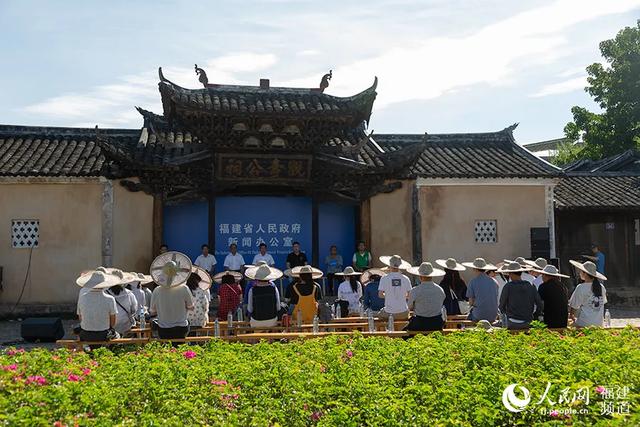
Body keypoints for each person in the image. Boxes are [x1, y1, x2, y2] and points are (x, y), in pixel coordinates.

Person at [150, 268, 195, 339]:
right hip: (181, 328)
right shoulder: (184, 288)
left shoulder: (157, 290)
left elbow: (152, 312)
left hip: (163, 329)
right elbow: (191, 307)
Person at [76, 270, 120, 341]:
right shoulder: (110, 299)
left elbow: (80, 318)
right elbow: (113, 321)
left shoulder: (82, 297)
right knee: (117, 336)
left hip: (86, 334)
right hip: (103, 334)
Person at [498, 261, 544, 330]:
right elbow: (540, 304)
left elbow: (501, 306)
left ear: (510, 274)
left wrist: (507, 314)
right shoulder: (531, 286)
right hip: (528, 321)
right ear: (521, 273)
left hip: (512, 322)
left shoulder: (508, 286)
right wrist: (535, 315)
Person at [405, 262, 446, 331]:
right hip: (436, 323)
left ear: (420, 276)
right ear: (432, 276)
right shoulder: (440, 290)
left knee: (405, 334)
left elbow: (409, 307)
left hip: (420, 323)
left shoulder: (415, 290)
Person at [568, 260, 608, 327]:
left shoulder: (581, 287)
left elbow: (573, 307)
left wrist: (571, 316)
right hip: (599, 323)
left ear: (585, 273)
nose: (579, 273)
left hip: (584, 323)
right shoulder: (601, 287)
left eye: (581, 271)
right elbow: (603, 302)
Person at [461, 258, 499, 322]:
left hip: (479, 315)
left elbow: (471, 303)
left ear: (475, 269)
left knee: (466, 320)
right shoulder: (494, 281)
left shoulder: (473, 281)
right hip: (493, 315)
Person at [377, 255, 413, 320]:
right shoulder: (406, 278)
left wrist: (389, 295)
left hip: (389, 312)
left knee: (379, 315)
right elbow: (409, 296)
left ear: (390, 265)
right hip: (403, 312)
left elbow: (380, 295)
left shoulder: (384, 278)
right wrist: (401, 295)